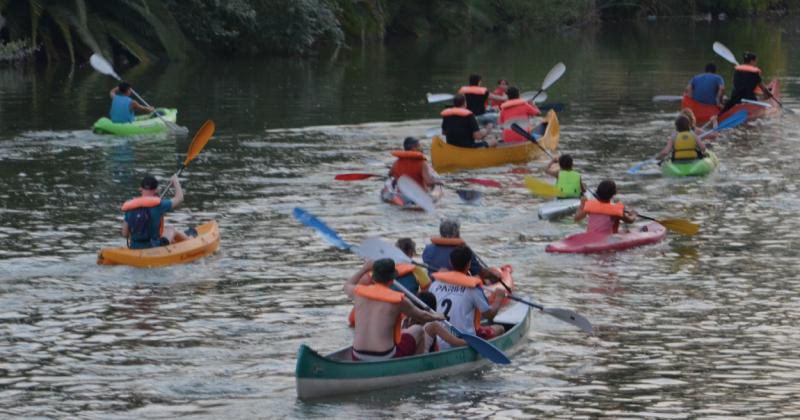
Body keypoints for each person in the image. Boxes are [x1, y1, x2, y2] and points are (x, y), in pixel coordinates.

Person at [344, 259, 444, 361]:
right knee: (418, 330)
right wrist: (438, 316)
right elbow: (422, 316)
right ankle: (416, 367)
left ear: (373, 279)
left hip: (357, 355)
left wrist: (364, 269)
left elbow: (348, 284)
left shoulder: (358, 292)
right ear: (392, 280)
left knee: (403, 331)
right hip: (384, 356)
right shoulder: (399, 300)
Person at [429, 246, 506, 350]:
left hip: (437, 339)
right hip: (464, 340)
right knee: (500, 328)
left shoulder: (436, 283)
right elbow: (489, 315)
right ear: (469, 264)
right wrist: (499, 299)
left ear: (450, 262)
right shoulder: (473, 289)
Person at [121, 174, 190, 249]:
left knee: (164, 233)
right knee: (170, 229)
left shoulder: (130, 206)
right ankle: (190, 242)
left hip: (134, 247)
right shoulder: (160, 205)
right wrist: (176, 182)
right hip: (154, 247)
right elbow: (180, 198)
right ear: (156, 190)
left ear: (140, 189)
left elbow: (125, 233)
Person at [401, 291, 466, 353]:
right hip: (422, 361)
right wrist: (471, 342)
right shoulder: (433, 325)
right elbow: (456, 343)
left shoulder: (404, 321)